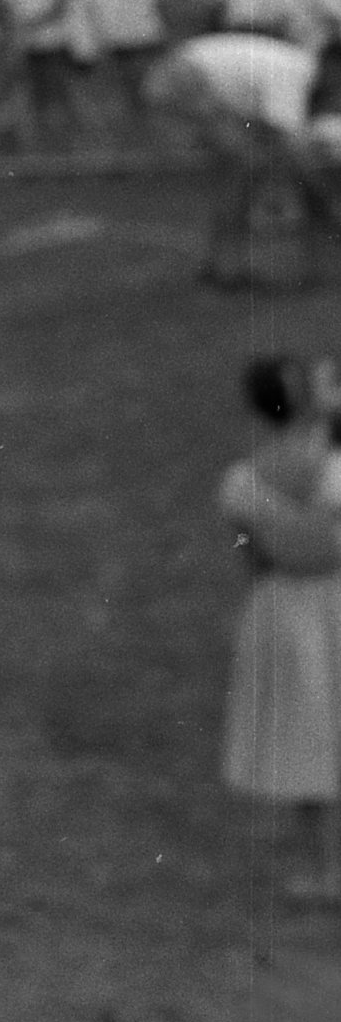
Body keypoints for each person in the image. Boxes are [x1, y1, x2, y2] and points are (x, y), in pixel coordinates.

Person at [216, 354, 341, 906]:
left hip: (283, 608)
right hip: (335, 597)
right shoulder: (333, 465)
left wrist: (268, 544)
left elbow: (249, 553)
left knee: (306, 735)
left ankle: (324, 869)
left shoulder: (244, 481)